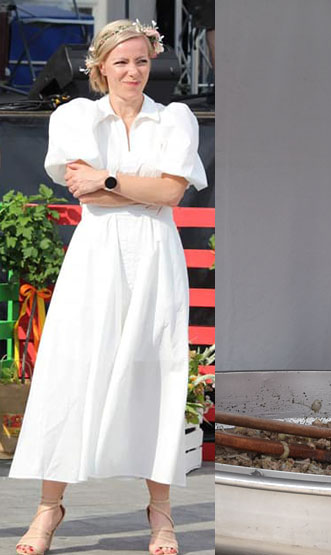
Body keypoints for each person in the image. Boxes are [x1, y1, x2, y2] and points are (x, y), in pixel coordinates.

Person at [9, 19, 207, 555]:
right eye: (121, 61)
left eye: (142, 61)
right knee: (72, 369)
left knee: (155, 371)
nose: (133, 71)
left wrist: (113, 179)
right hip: (96, 257)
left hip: (154, 258)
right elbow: (84, 191)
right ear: (100, 68)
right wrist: (131, 189)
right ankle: (48, 509)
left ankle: (161, 514)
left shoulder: (176, 119)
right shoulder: (76, 116)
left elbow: (170, 194)